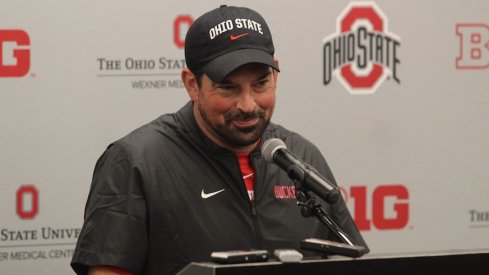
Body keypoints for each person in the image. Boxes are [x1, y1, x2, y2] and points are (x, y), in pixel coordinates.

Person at [71, 5, 368, 275]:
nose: (249, 104)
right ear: (192, 84)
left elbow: (353, 260)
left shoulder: (302, 156)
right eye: (228, 88)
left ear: (276, 76)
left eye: (261, 83)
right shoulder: (137, 161)